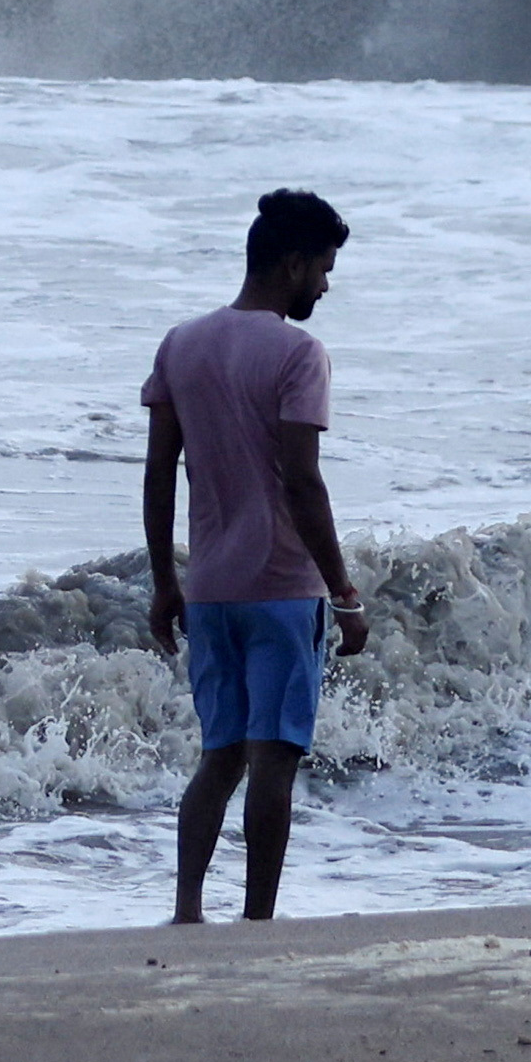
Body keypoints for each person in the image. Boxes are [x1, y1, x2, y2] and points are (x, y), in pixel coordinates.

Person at [139, 188, 370, 924]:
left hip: (209, 588)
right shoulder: (299, 352)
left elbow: (157, 472)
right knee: (273, 761)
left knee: (220, 757)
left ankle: (185, 910)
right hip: (280, 584)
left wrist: (163, 581)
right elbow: (302, 479)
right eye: (324, 269)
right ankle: (258, 920)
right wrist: (344, 592)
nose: (326, 286)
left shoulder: (182, 343)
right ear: (293, 263)